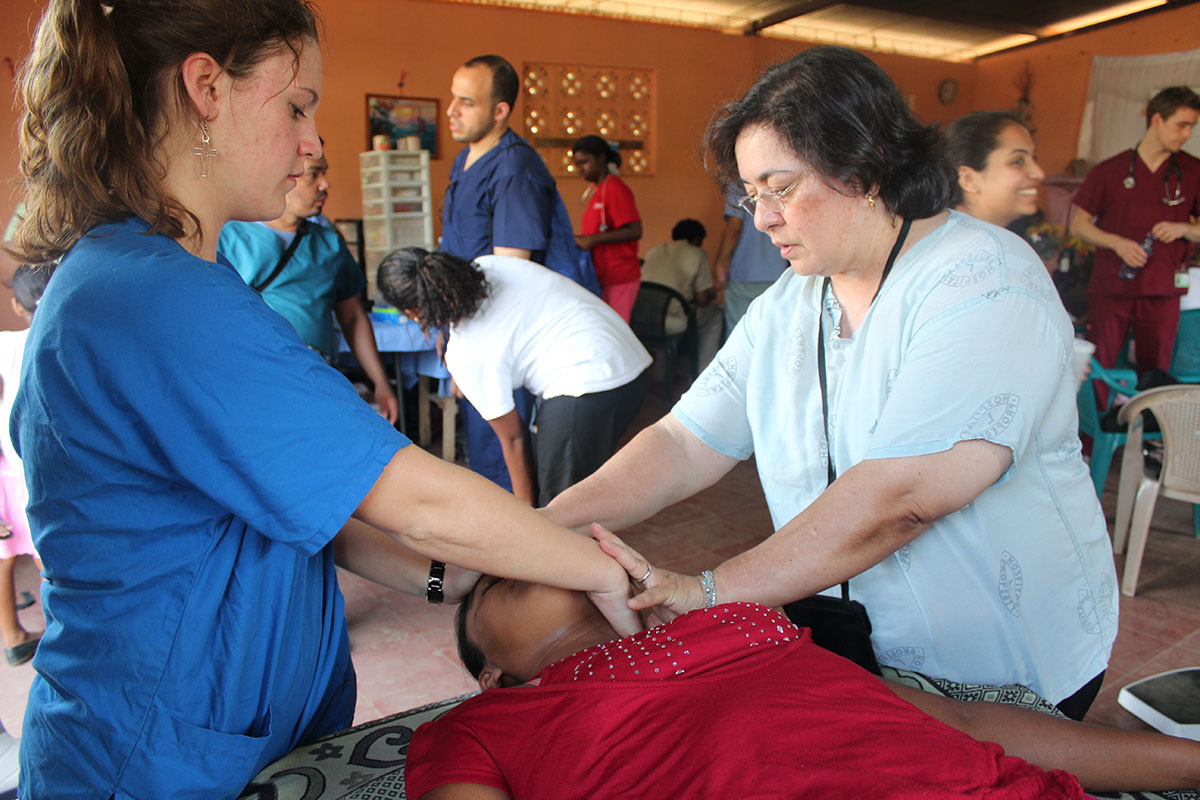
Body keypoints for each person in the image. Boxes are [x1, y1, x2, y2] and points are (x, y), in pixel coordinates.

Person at [8, 3, 639, 797]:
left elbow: (305, 511)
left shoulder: (161, 282)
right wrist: (604, 573)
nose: (312, 141)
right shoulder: (154, 299)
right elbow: (414, 498)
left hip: (225, 742)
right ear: (206, 87)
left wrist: (452, 579)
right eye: (297, 104)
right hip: (155, 761)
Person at [543, 45, 1117, 720]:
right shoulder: (792, 301)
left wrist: (707, 590)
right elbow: (685, 440)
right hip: (861, 650)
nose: (761, 218)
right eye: (751, 195)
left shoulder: (983, 278)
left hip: (1001, 666)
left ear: (865, 165)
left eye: (780, 188)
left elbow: (901, 495)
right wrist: (548, 528)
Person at [405, 572, 1200, 799]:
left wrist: (1182, 763)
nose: (537, 567)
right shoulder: (481, 728)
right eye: (502, 585)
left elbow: (954, 720)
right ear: (490, 675)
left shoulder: (738, 622)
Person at [377, 248, 650, 507]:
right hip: (631, 359)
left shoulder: (468, 354)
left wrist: (527, 515)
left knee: (560, 508)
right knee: (569, 486)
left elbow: (513, 439)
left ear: (412, 313)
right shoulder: (489, 265)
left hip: (588, 386)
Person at [441, 54, 597, 493]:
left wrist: (470, 349)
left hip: (501, 335)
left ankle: (517, 546)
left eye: (466, 102)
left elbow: (509, 275)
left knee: (504, 453)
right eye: (453, 98)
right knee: (483, 443)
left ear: (500, 110)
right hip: (470, 330)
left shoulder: (514, 170)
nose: (451, 110)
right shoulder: (465, 161)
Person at [220, 151, 399, 423]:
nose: (325, 184)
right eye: (314, 174)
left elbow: (352, 317)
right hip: (250, 383)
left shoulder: (329, 244)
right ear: (282, 177)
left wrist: (380, 382)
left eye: (324, 174)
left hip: (315, 379)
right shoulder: (227, 238)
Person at [1070, 86, 1200, 392]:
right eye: (1181, 125)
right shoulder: (1110, 171)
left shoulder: (1193, 171)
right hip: (1113, 285)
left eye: (1192, 127)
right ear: (1157, 120)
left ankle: (1150, 432)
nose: (1187, 134)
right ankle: (1094, 435)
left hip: (1162, 288)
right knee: (1099, 364)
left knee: (1155, 369)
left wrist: (1183, 229)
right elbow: (1078, 226)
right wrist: (1117, 243)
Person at [0, 265, 48, 667]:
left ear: (16, 304)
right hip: (40, 471)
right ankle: (58, 638)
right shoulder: (58, 338)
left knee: (4, 554)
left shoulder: (3, 345)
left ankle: (12, 634)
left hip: (6, 470)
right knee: (46, 555)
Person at [573, 134, 644, 322]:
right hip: (602, 276)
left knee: (616, 331)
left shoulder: (615, 188)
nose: (580, 168)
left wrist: (592, 240)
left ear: (602, 158)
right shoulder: (598, 190)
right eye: (577, 163)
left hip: (619, 277)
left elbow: (635, 230)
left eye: (585, 162)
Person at [640, 218, 724, 368]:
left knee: (671, 310)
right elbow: (702, 300)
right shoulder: (697, 254)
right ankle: (703, 371)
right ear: (697, 239)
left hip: (642, 320)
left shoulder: (656, 250)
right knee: (715, 316)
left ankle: (660, 373)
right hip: (670, 324)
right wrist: (713, 293)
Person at [946, 111, 1047, 229]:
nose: (1039, 174)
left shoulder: (1018, 237)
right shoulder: (951, 244)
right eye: (1018, 161)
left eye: (1034, 158)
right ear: (969, 180)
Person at [710, 199, 788, 337]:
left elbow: (735, 227)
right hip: (778, 272)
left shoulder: (737, 183)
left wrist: (720, 264)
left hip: (744, 273)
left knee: (739, 335)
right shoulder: (781, 178)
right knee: (774, 334)